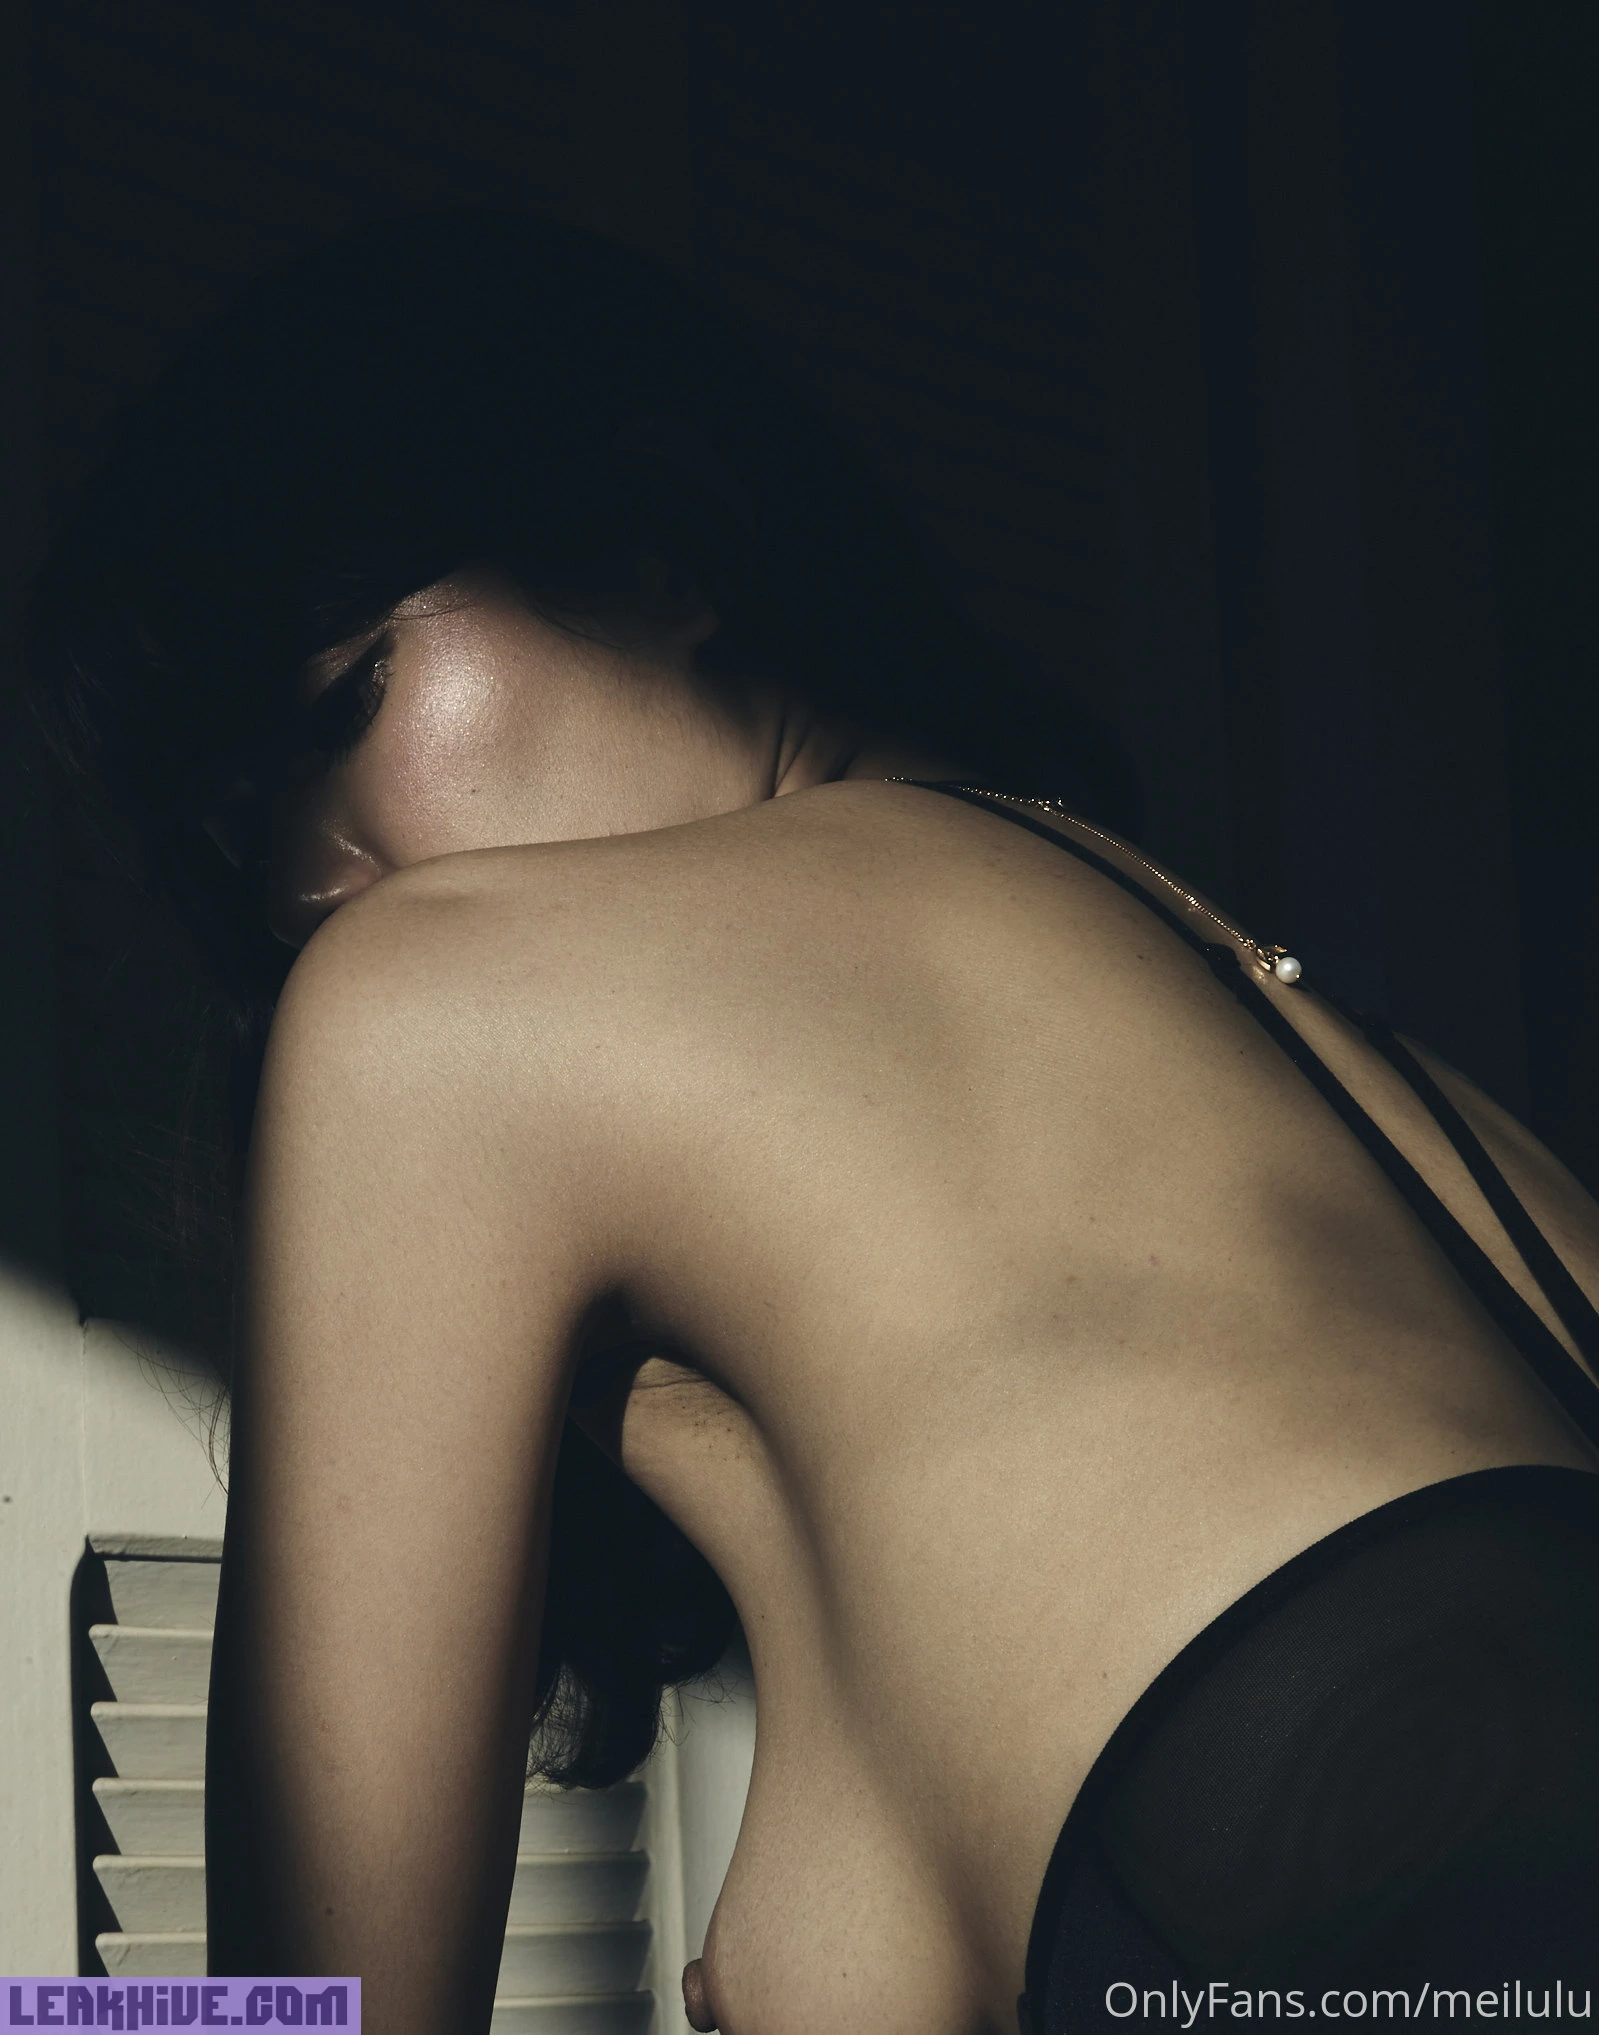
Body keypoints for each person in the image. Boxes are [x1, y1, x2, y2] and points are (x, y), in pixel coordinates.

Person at [25, 208, 1599, 2035]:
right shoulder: (1411, 1114)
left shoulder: (431, 1001)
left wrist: (36, 2013)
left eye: (342, 704)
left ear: (661, 550)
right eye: (235, 839)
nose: (305, 882)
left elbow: (309, 2017)